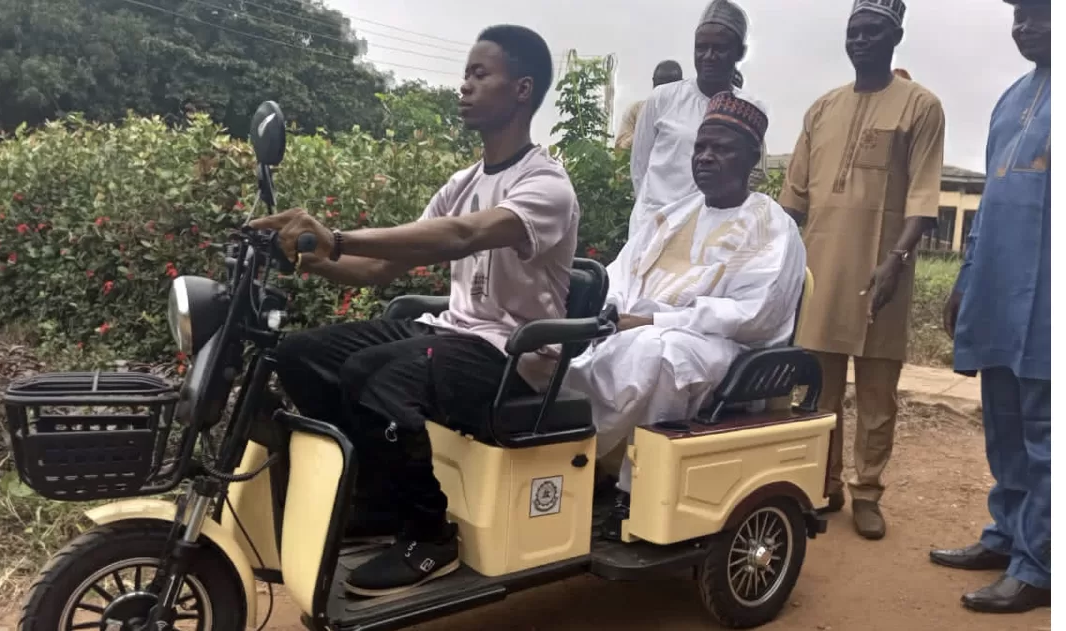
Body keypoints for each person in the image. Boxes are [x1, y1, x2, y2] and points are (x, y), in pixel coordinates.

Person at [250, 25, 579, 597]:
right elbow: (380, 270)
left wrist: (338, 236)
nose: (465, 86)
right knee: (300, 353)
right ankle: (378, 503)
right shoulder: (463, 181)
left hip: (512, 356)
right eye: (466, 75)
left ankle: (430, 536)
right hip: (452, 334)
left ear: (522, 89)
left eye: (481, 75)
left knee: (373, 376)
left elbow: (458, 236)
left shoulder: (546, 185)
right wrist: (312, 257)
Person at [567, 91, 806, 540]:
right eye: (700, 147)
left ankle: (632, 493)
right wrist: (609, 313)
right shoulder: (672, 215)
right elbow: (619, 276)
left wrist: (653, 322)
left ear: (752, 156)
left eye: (722, 148)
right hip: (633, 331)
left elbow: (753, 315)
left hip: (726, 351)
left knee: (658, 354)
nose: (706, 158)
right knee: (556, 347)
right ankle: (570, 461)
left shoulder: (773, 226)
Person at [778, 0, 945, 540]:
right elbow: (793, 202)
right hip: (820, 271)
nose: (861, 40)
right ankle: (822, 482)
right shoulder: (822, 108)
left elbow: (923, 195)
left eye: (873, 31)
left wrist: (895, 260)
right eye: (854, 31)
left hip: (883, 271)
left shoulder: (920, 106)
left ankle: (867, 491)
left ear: (895, 35)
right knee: (819, 390)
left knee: (876, 392)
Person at [929, 0, 1050, 614]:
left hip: (1049, 305)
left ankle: (1040, 564)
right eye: (1018, 16)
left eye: (1039, 13)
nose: (1025, 26)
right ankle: (1006, 538)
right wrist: (964, 283)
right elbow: (990, 208)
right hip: (999, 293)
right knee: (1003, 427)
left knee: (1045, 434)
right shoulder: (1010, 99)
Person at [628, 0, 766, 241]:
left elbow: (749, 173)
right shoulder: (662, 98)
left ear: (740, 53)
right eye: (701, 47)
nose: (708, 56)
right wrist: (651, 216)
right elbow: (639, 166)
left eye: (719, 48)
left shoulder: (746, 108)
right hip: (652, 229)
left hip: (712, 236)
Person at [615, 61, 684, 150]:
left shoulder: (689, 113)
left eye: (669, 86)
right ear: (653, 82)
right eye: (660, 85)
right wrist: (646, 130)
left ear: (681, 85)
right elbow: (620, 150)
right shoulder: (636, 110)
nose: (662, 91)